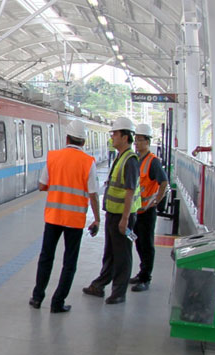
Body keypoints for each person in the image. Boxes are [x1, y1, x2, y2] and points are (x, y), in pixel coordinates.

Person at [29, 120, 102, 313]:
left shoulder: (53, 157)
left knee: (46, 257)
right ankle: (57, 302)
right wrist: (97, 219)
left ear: (67, 138)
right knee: (69, 262)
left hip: (53, 217)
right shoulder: (88, 162)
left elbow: (41, 185)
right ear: (84, 142)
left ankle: (37, 298)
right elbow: (93, 194)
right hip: (75, 221)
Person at [84, 116, 140, 304]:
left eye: (115, 134)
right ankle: (99, 284)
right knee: (110, 252)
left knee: (123, 254)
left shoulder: (130, 160)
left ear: (125, 137)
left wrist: (125, 220)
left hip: (122, 216)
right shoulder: (121, 156)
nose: (112, 138)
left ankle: (119, 292)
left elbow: (130, 191)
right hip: (113, 214)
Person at [129, 122, 169, 292]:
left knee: (147, 244)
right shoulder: (136, 159)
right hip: (137, 211)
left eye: (139, 140)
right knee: (138, 242)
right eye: (135, 140)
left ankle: (146, 277)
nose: (136, 143)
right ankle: (142, 271)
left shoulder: (153, 162)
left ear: (147, 141)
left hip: (147, 211)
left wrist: (156, 200)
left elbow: (164, 182)